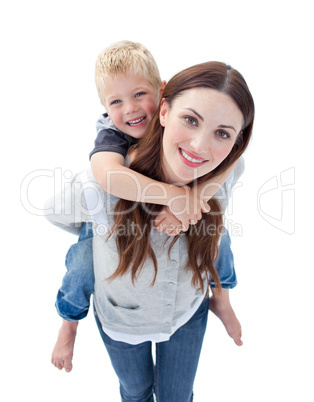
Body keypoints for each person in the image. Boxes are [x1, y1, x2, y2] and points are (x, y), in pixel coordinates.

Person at [46, 60, 254, 401]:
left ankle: (222, 297)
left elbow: (237, 161)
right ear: (163, 110)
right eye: (190, 120)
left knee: (177, 395)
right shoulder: (100, 182)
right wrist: (166, 199)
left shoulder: (223, 172)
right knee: (136, 392)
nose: (201, 147)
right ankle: (69, 322)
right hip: (122, 320)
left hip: (186, 312)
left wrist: (195, 196)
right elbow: (55, 211)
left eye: (222, 133)